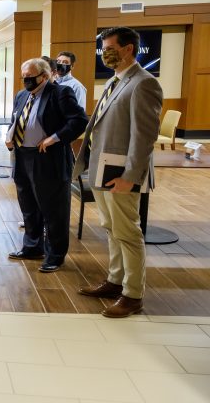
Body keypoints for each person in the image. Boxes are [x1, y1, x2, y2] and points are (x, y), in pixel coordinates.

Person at [73, 26, 162, 318]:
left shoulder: (143, 83)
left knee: (128, 232)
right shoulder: (115, 81)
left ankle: (133, 294)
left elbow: (144, 136)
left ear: (128, 49)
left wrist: (130, 176)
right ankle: (114, 280)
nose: (105, 53)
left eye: (110, 47)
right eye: (103, 48)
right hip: (102, 167)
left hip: (121, 173)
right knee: (112, 229)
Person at [5, 59, 88, 273]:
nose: (26, 80)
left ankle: (55, 255)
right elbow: (17, 118)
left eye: (30, 76)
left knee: (53, 209)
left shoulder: (60, 93)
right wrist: (10, 135)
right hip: (23, 156)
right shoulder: (22, 94)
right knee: (29, 206)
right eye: (23, 76)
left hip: (48, 158)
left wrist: (56, 137)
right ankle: (32, 247)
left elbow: (79, 121)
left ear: (44, 75)